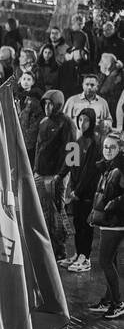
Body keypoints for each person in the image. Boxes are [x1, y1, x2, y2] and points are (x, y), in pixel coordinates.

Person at [33, 89, 74, 262]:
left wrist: (61, 175)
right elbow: (38, 148)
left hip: (56, 176)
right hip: (41, 174)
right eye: (45, 103)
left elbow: (73, 152)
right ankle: (48, 247)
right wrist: (35, 169)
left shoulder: (67, 123)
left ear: (57, 104)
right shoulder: (43, 122)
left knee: (57, 212)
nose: (47, 107)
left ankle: (60, 249)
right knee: (43, 212)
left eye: (51, 103)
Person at [62, 109, 103, 273]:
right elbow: (71, 165)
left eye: (86, 120)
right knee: (78, 223)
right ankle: (78, 254)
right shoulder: (78, 141)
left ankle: (85, 258)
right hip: (76, 192)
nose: (82, 123)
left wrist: (78, 191)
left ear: (91, 121)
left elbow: (90, 171)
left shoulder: (95, 141)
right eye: (80, 120)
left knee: (86, 225)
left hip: (86, 193)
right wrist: (62, 180)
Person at [89, 132, 124, 319]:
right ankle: (109, 299)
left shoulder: (120, 168)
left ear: (119, 149)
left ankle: (118, 303)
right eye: (105, 146)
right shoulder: (108, 167)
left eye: (112, 147)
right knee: (111, 261)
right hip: (107, 220)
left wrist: (113, 205)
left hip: (115, 222)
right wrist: (95, 212)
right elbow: (102, 193)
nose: (108, 150)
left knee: (104, 261)